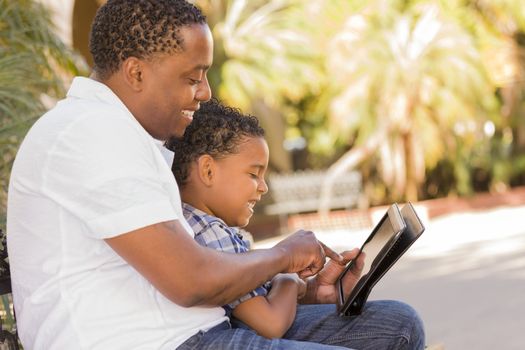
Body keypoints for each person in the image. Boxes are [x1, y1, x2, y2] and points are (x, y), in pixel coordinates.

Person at [5, 0, 425, 349]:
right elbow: (192, 281)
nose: (204, 92)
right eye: (192, 77)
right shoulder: (88, 134)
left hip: (197, 329)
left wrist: (303, 289)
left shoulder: (124, 135)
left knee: (397, 327)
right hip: (149, 343)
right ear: (136, 73)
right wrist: (284, 256)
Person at [168, 98, 310, 338]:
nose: (263, 187)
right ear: (208, 171)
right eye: (254, 174)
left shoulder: (184, 221)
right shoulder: (211, 232)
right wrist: (288, 278)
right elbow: (271, 323)